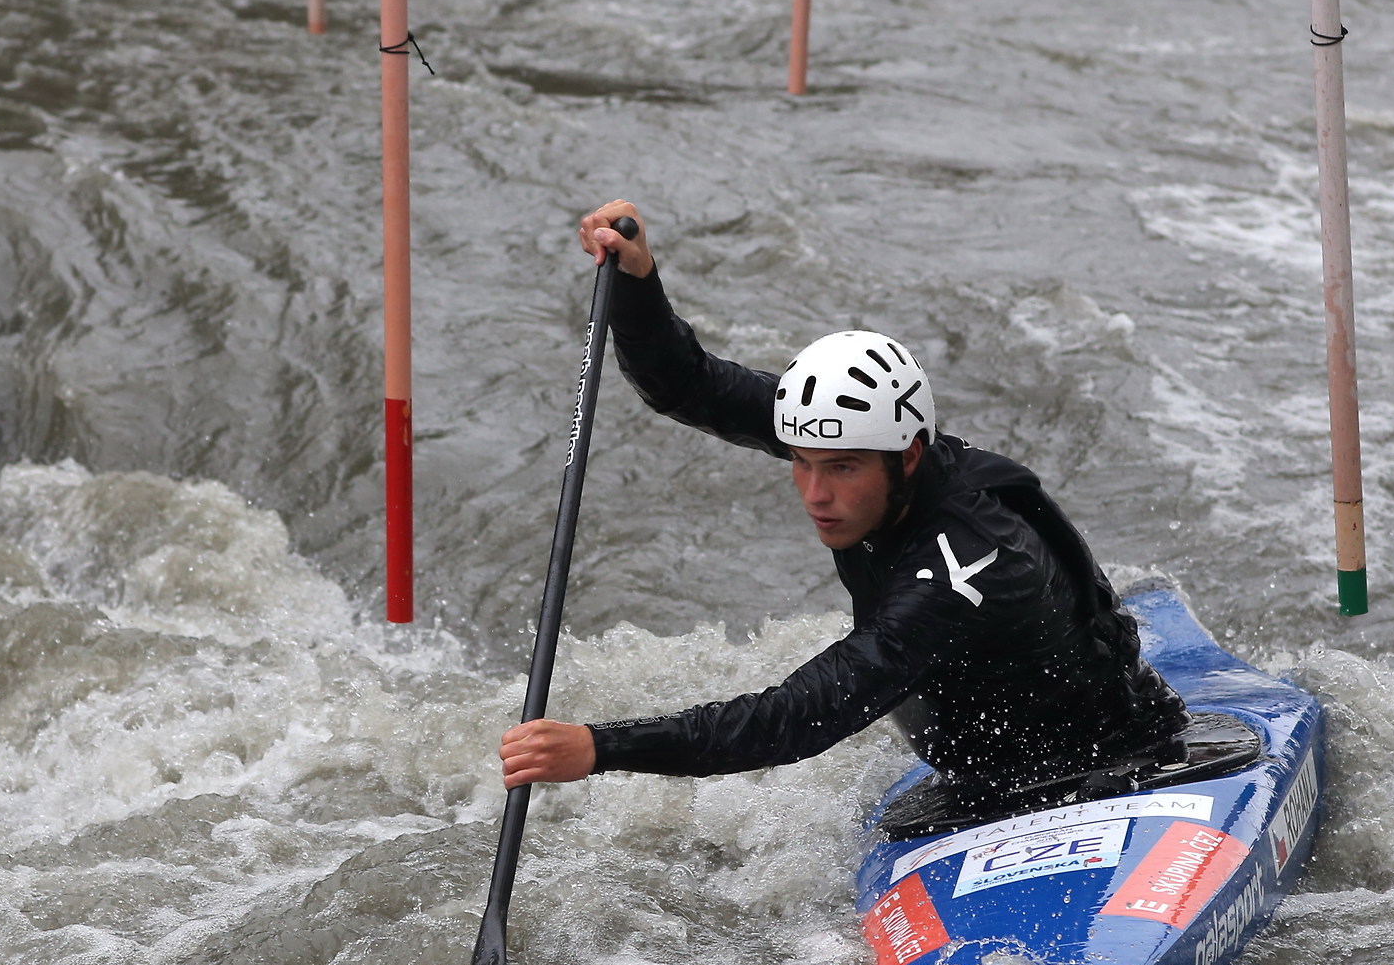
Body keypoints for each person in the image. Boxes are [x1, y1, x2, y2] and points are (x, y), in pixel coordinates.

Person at [497, 201, 1188, 831]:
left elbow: (802, 716)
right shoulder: (853, 436)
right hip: (982, 779)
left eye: (841, 470)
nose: (815, 494)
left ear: (908, 455)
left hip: (1105, 768)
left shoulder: (967, 564)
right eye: (800, 461)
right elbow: (688, 385)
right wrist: (637, 282)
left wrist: (602, 747)